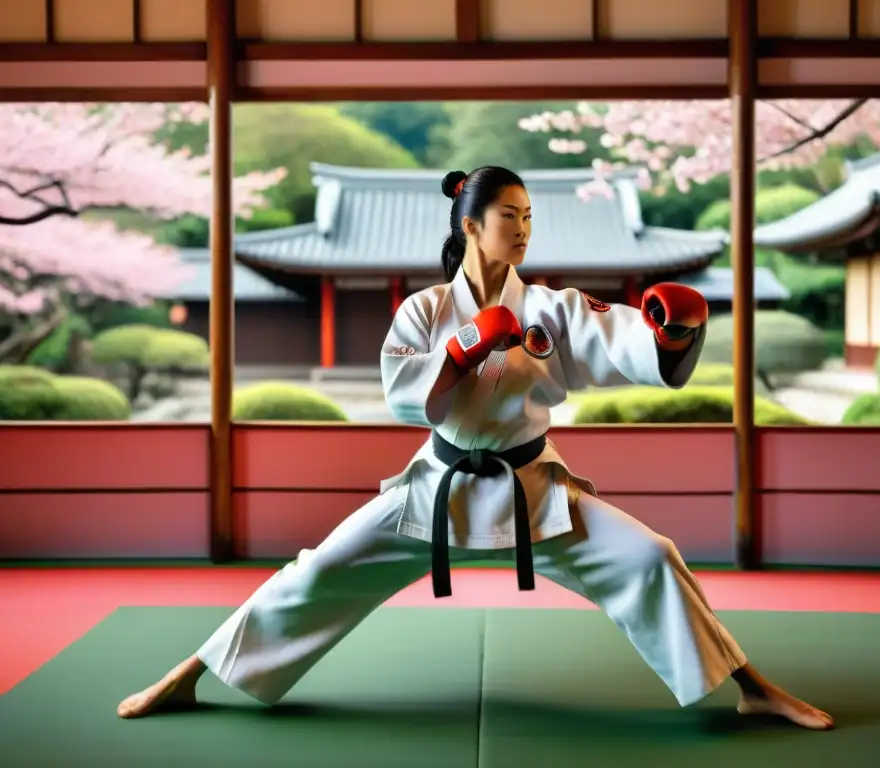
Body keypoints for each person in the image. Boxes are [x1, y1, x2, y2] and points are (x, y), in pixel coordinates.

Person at [117, 166, 833, 731]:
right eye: (509, 216)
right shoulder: (424, 311)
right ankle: (190, 673)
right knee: (316, 573)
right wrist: (461, 349)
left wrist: (676, 334)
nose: (523, 229)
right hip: (435, 488)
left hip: (534, 492)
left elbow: (634, 348)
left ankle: (753, 689)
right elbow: (403, 393)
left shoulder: (552, 308)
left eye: (529, 218)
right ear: (471, 225)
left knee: (651, 557)